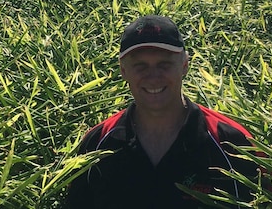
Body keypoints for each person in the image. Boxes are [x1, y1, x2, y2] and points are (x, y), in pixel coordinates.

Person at [65, 15, 259, 208]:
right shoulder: (97, 143)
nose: (153, 77)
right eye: (140, 66)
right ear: (123, 70)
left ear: (184, 65)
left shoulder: (232, 143)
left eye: (164, 65)